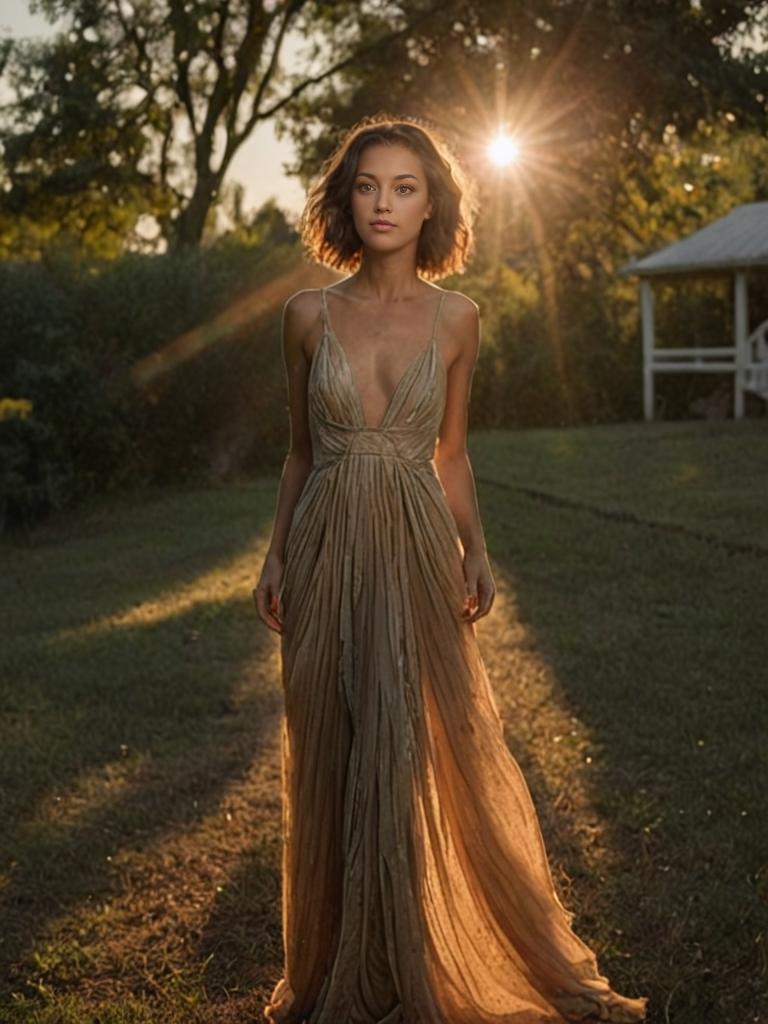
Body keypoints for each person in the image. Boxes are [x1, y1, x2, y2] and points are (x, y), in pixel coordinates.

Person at [253, 113, 648, 1024]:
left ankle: (411, 960)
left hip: (418, 547)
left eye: (405, 187)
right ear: (344, 199)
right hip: (320, 548)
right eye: (367, 185)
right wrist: (275, 553)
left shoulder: (459, 317)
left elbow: (454, 454)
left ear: (433, 204)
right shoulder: (306, 315)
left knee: (412, 746)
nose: (384, 203)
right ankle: (338, 965)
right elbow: (300, 455)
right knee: (333, 751)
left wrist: (478, 548)